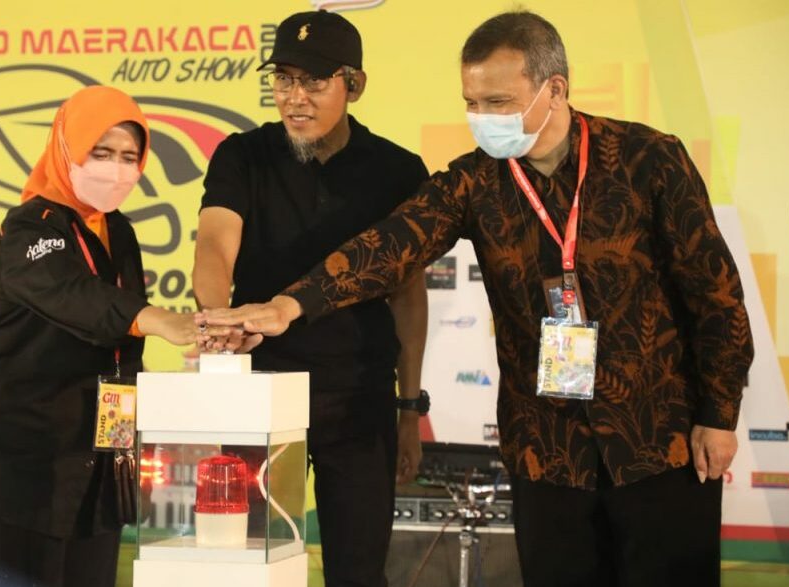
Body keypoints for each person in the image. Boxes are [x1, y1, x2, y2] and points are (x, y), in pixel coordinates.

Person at [203, 11, 754, 587]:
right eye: (472, 103)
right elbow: (390, 246)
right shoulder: (475, 182)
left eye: (498, 102)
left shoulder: (648, 158)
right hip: (546, 450)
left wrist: (719, 416)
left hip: (662, 440)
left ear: (554, 89)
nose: (483, 118)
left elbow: (716, 295)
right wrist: (291, 305)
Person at [191, 10, 429, 587]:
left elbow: (408, 298)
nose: (295, 98)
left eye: (315, 82)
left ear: (355, 84)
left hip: (360, 398)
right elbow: (215, 246)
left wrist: (408, 408)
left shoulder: (398, 171)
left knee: (358, 570)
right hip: (260, 393)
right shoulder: (242, 155)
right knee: (251, 566)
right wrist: (217, 322)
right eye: (284, 79)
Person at [0, 85, 204, 587]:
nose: (116, 169)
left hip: (97, 459)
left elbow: (118, 347)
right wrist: (157, 317)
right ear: (66, 147)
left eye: (129, 157)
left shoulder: (119, 231)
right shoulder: (28, 228)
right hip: (15, 457)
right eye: (100, 152)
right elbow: (72, 297)